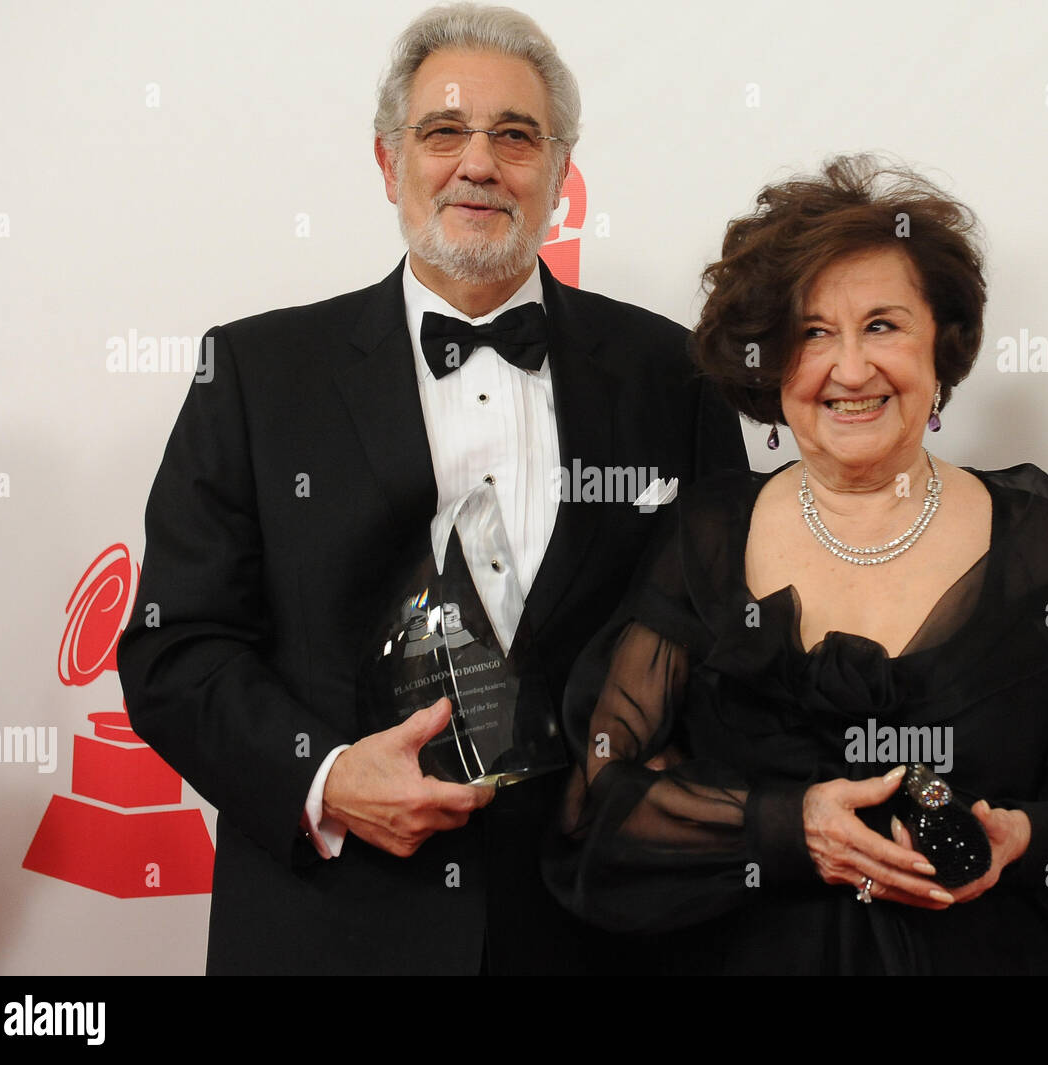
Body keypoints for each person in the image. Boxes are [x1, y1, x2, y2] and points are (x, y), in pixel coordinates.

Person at [116, 3, 746, 975]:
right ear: (387, 163)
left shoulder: (673, 375)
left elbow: (719, 647)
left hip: (602, 932)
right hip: (332, 929)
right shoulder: (253, 373)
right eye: (443, 131)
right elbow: (176, 645)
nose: (479, 163)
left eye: (515, 136)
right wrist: (323, 777)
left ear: (562, 176)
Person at [544, 155, 1048, 974]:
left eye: (882, 326)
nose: (850, 369)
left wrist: (1024, 834)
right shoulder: (706, 535)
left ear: (942, 348)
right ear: (771, 365)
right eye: (813, 333)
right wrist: (790, 826)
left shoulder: (1035, 540)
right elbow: (601, 795)